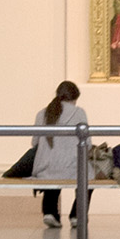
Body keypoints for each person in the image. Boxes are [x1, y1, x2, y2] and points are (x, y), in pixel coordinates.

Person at [31, 81, 89, 227]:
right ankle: (77, 215)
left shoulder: (42, 113)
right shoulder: (79, 113)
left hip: (45, 168)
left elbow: (34, 143)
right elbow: (87, 144)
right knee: (88, 175)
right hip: (72, 168)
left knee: (52, 170)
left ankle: (50, 212)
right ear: (75, 97)